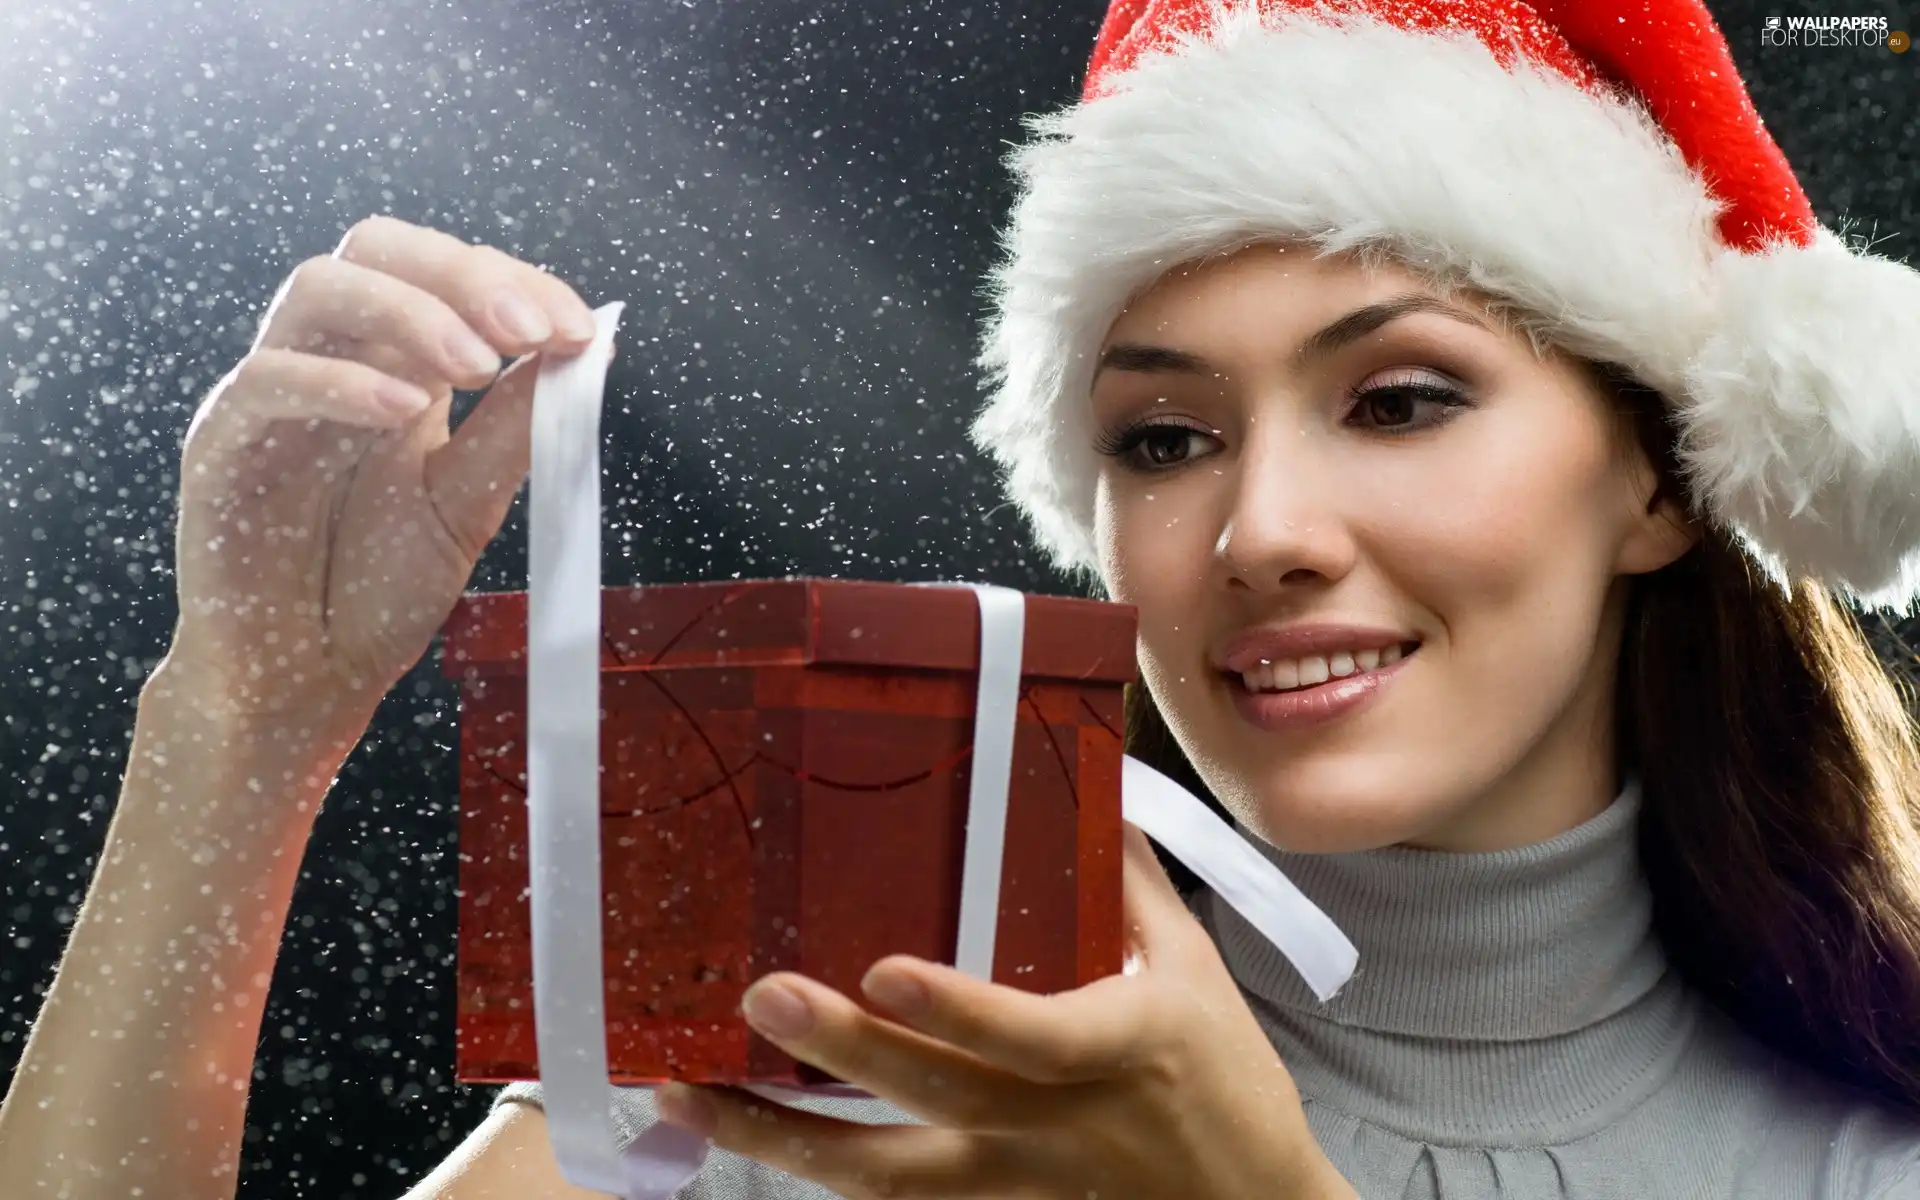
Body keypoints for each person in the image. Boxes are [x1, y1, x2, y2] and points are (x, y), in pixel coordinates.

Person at [6, 0, 1920, 1195]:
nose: (1260, 529)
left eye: (1399, 398)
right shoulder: (876, 1038)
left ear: (1667, 475)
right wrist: (243, 717)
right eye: (1163, 440)